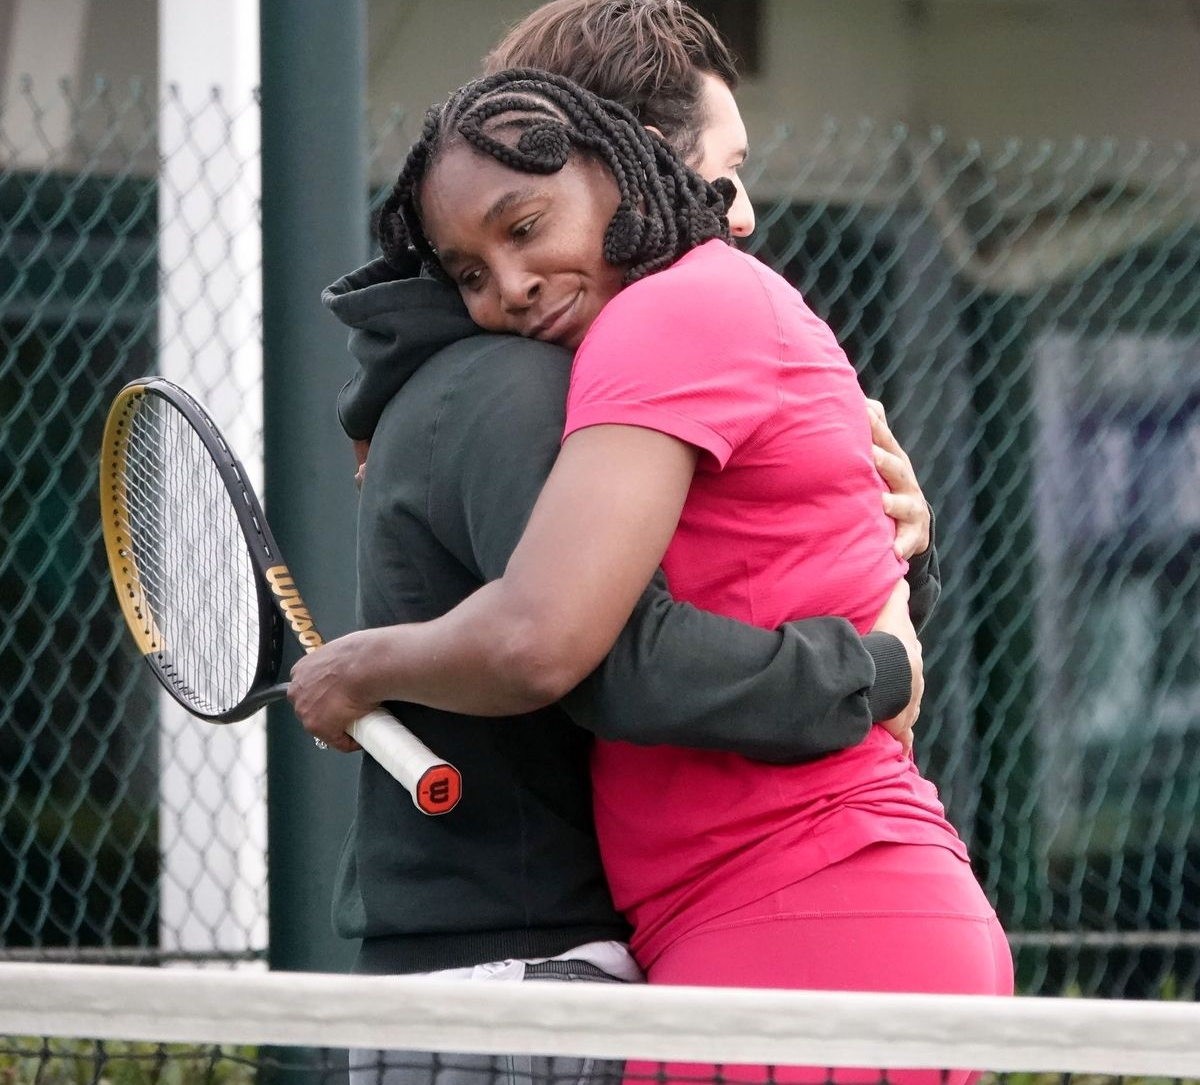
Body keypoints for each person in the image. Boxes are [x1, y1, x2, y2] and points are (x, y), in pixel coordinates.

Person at [291, 66, 1010, 1084]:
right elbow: (629, 636)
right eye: (469, 270)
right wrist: (883, 649)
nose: (737, 214)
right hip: (725, 925)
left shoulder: (667, 317)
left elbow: (575, 643)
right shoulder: (565, 361)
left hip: (806, 908)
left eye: (525, 227)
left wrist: (892, 623)